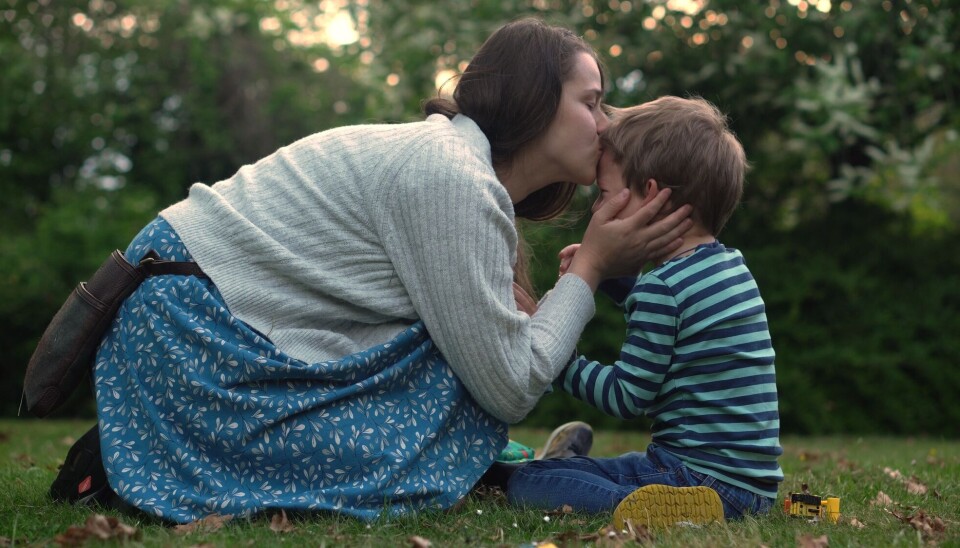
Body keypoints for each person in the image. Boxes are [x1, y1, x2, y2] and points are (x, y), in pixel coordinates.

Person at [45, 19, 692, 523]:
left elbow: (499, 357)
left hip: (202, 322)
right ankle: (133, 459)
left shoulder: (457, 173)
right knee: (449, 364)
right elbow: (510, 385)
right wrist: (592, 270)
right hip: (193, 331)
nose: (605, 126)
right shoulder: (451, 177)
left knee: (449, 349)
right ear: (535, 101)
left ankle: (503, 471)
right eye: (593, 102)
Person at [505, 96, 783, 527]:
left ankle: (626, 498)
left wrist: (558, 357)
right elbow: (681, 327)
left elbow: (627, 396)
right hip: (751, 487)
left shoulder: (663, 288)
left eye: (604, 194)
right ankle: (571, 466)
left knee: (528, 483)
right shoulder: (729, 267)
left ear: (649, 195)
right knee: (625, 463)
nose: (597, 210)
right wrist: (615, 282)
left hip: (693, 479)